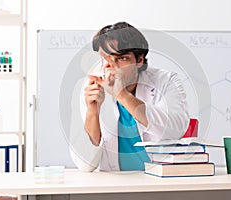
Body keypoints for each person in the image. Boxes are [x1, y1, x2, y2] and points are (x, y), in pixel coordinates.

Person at [71, 22, 189, 172]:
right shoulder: (93, 87)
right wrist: (92, 111)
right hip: (115, 183)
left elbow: (175, 129)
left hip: (158, 180)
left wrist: (122, 95)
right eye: (106, 59)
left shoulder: (166, 80)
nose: (112, 67)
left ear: (139, 60)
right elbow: (85, 165)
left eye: (122, 59)